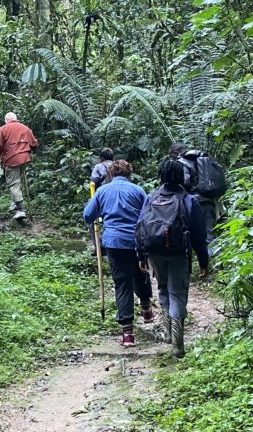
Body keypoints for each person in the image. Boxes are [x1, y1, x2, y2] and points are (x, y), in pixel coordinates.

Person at [137, 158, 210, 358]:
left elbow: (141, 227)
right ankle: (177, 344)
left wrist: (141, 254)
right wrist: (203, 261)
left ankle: (168, 333)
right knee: (177, 294)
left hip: (154, 253)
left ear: (161, 175)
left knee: (162, 288)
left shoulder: (151, 197)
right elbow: (199, 235)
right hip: (178, 254)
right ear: (181, 176)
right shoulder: (188, 200)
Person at [83, 160, 154, 347]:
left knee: (122, 283)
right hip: (136, 241)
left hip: (114, 242)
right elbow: (149, 216)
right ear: (129, 173)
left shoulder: (102, 191)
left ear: (110, 174)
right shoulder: (138, 191)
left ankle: (127, 333)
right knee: (141, 272)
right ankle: (146, 308)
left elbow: (88, 216)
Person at [169, 142, 219, 250]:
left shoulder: (182, 162)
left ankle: (202, 260)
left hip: (194, 201)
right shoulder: (198, 160)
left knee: (194, 233)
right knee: (209, 231)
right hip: (208, 199)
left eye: (171, 155)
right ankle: (215, 260)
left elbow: (186, 181)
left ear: (176, 152)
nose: (171, 158)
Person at [0, 112, 39, 220]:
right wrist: (30, 152)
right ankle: (15, 203)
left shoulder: (3, 129)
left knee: (14, 184)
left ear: (6, 120)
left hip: (12, 159)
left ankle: (20, 210)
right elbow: (34, 144)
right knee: (16, 181)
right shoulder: (25, 128)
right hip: (25, 159)